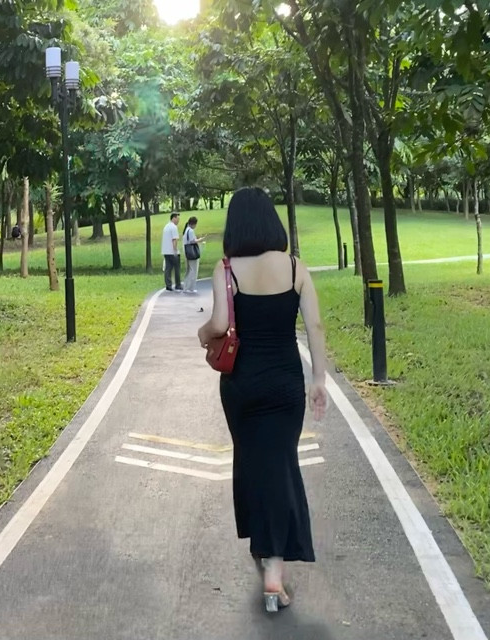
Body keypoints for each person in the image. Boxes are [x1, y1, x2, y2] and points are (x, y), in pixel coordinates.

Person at [197, 187, 327, 613]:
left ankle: (266, 556)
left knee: (253, 463)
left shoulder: (227, 270)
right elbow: (316, 327)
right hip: (286, 384)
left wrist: (202, 335)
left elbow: (219, 324)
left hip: (242, 386)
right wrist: (319, 379)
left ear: (236, 225)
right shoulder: (295, 268)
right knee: (281, 465)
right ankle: (273, 569)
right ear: (272, 221)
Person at [182, 216, 204, 294]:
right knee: (193, 270)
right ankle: (191, 287)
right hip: (192, 252)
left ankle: (186, 287)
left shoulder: (186, 230)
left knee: (188, 270)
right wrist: (200, 239)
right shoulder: (190, 231)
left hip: (187, 252)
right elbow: (192, 241)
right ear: (194, 224)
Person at [161, 212, 182, 292]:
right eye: (178, 218)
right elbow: (174, 239)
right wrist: (175, 250)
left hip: (166, 251)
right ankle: (178, 284)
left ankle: (168, 285)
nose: (178, 220)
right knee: (177, 268)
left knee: (168, 268)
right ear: (174, 218)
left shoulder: (166, 227)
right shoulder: (174, 227)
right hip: (172, 251)